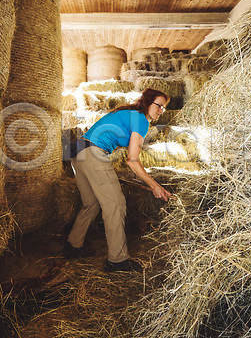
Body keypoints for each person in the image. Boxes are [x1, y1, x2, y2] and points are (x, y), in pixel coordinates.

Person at [63, 88, 173, 272]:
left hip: (79, 153)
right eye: (159, 105)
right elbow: (132, 160)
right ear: (148, 102)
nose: (162, 111)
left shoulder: (129, 113)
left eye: (164, 108)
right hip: (93, 153)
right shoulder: (141, 120)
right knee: (115, 204)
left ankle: (73, 245)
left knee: (91, 203)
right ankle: (118, 260)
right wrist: (155, 186)